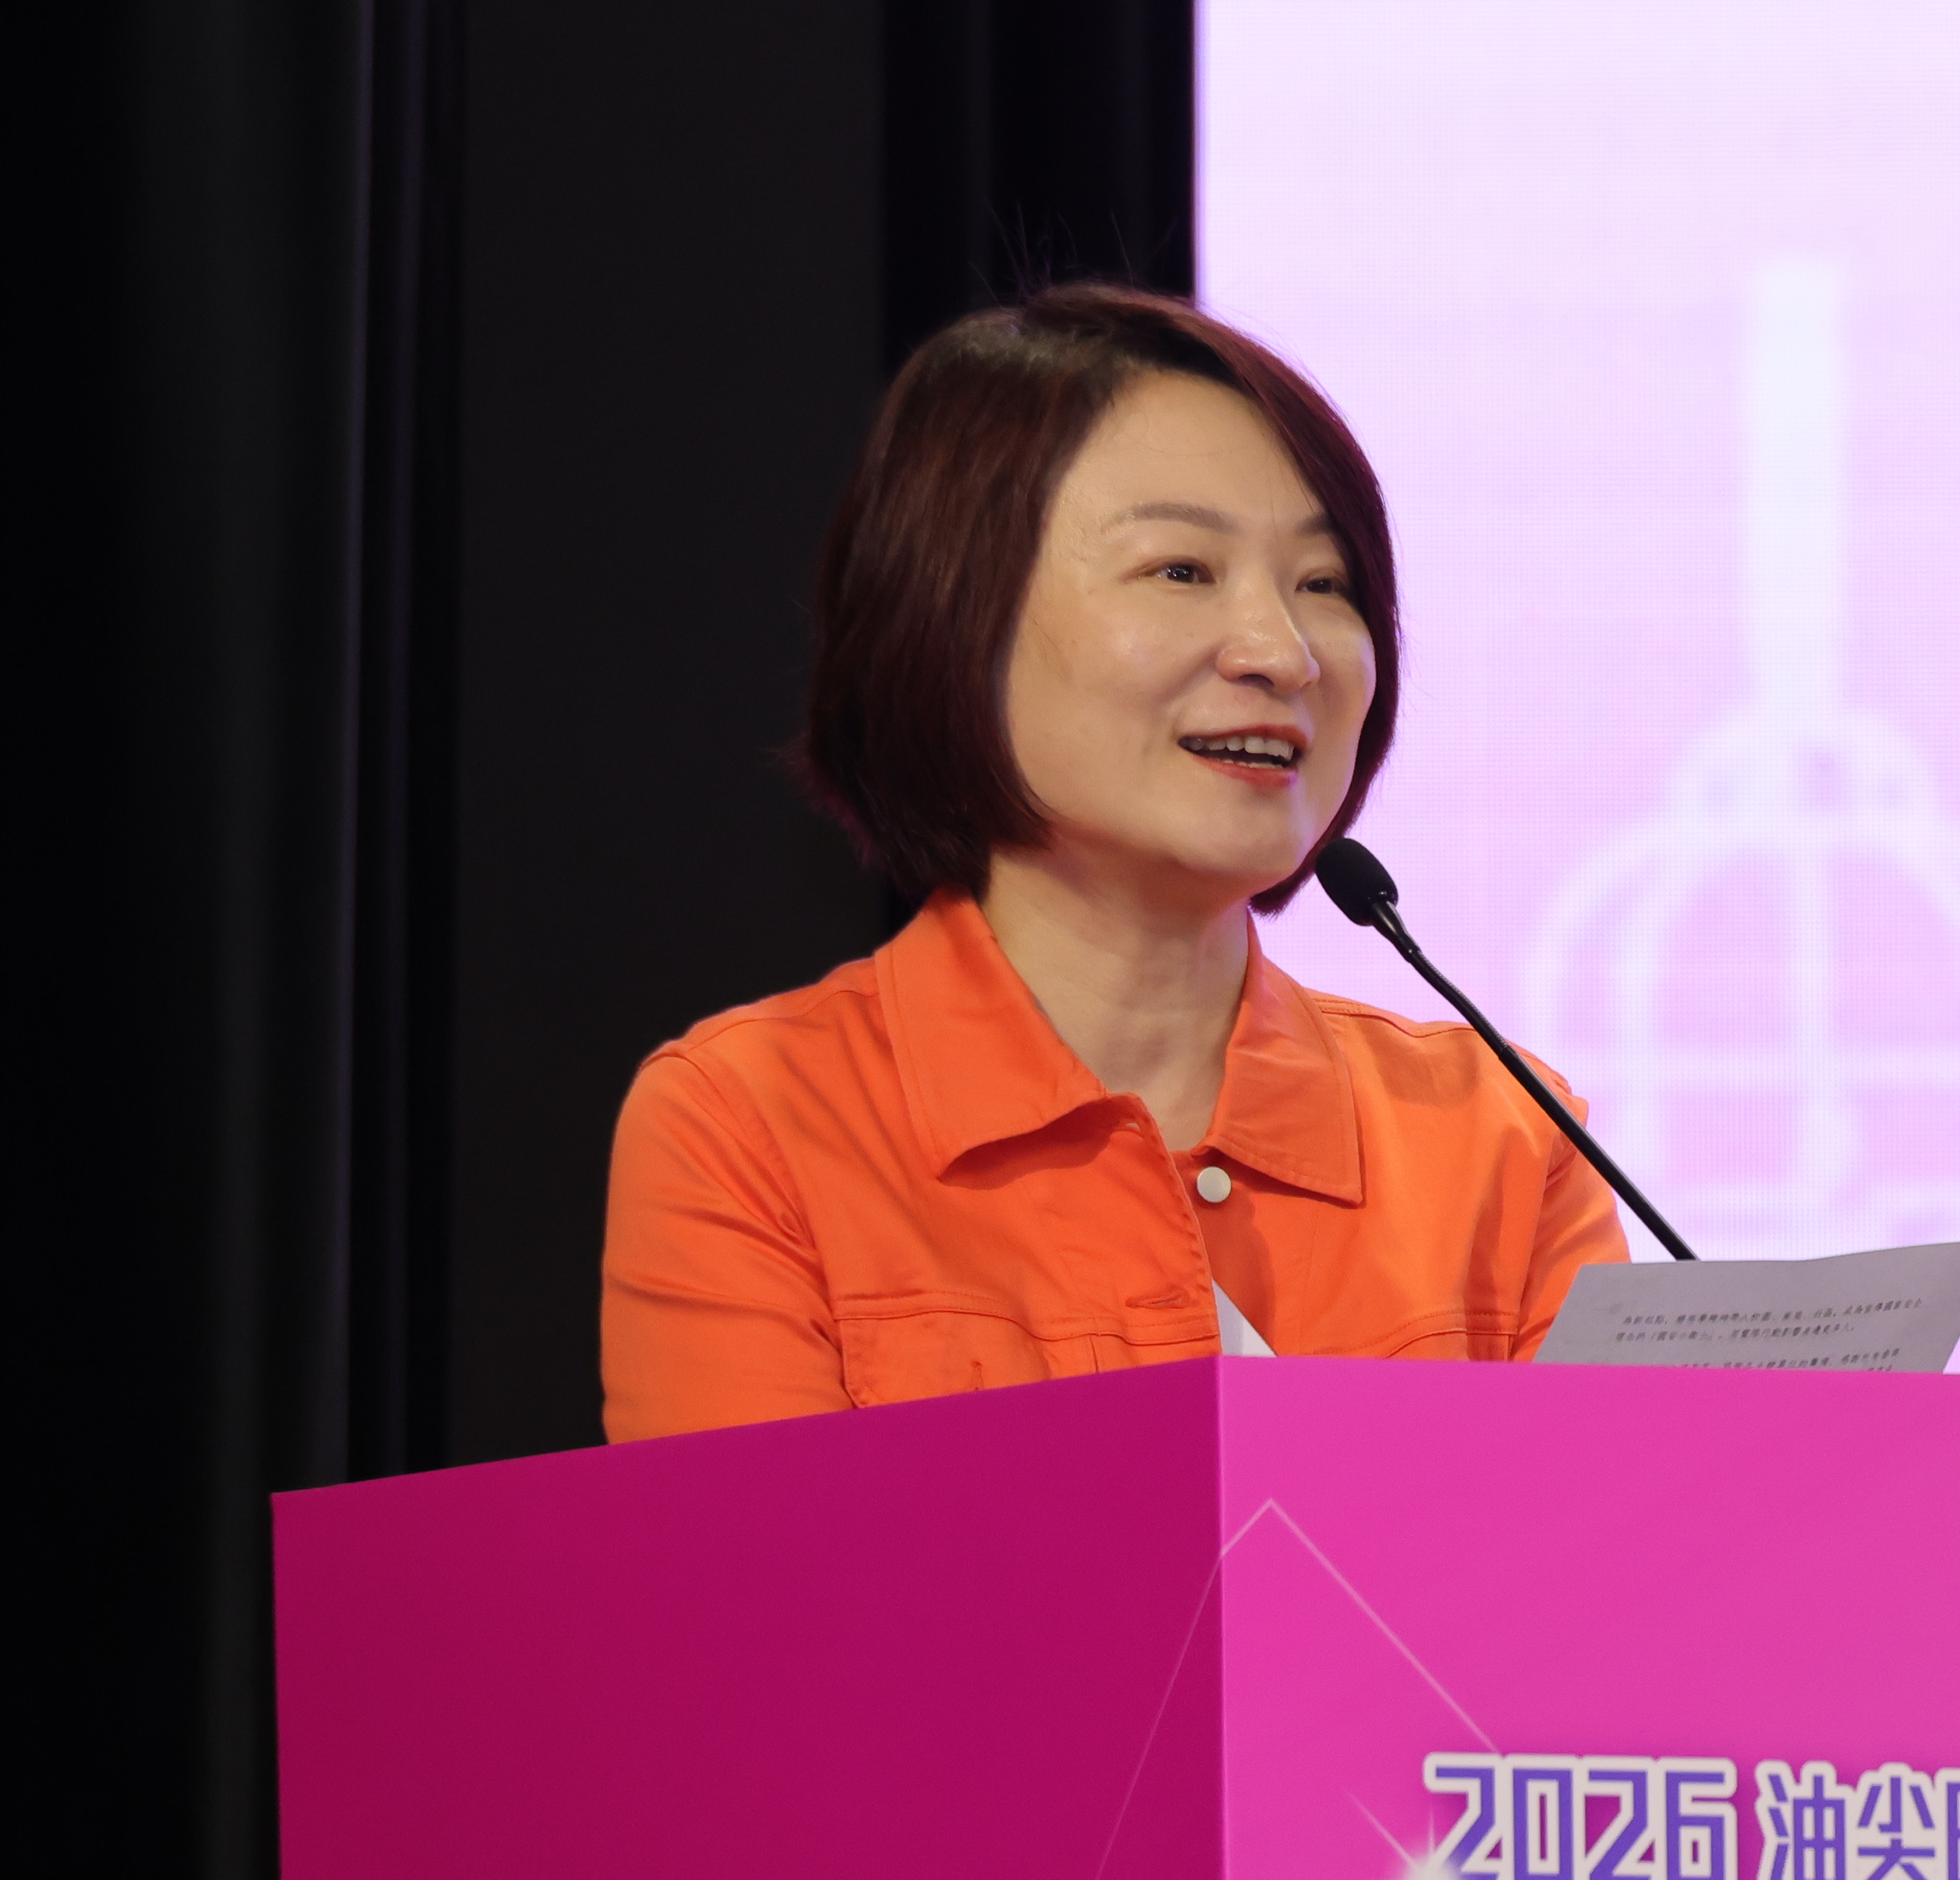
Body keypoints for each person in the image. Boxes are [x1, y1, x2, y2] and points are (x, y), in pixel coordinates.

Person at [598, 284, 1627, 1439]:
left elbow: (1602, 1551)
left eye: (1323, 585)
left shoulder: (1504, 1140)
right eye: (1182, 571)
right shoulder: (755, 1125)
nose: (1282, 652)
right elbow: (768, 1561)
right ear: (953, 617)